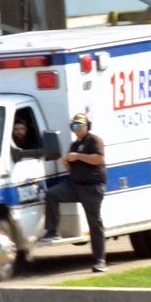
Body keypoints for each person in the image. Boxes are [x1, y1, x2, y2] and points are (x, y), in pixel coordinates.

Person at [41, 113, 107, 273]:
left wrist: (78, 156)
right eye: (74, 126)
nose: (76, 129)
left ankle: (100, 260)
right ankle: (52, 231)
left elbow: (99, 159)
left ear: (87, 125)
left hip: (92, 187)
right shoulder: (74, 145)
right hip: (75, 185)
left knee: (95, 223)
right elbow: (72, 167)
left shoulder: (94, 140)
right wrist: (67, 163)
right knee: (52, 194)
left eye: (79, 125)